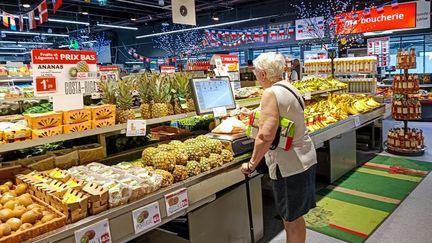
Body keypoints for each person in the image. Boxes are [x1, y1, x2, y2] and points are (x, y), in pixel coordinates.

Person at [241, 52, 317, 243]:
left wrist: (251, 164)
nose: (256, 76)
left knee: (290, 221)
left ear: (263, 74)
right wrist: (251, 114)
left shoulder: (270, 92)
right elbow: (283, 114)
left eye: (257, 72)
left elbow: (266, 136)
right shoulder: (289, 87)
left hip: (288, 165)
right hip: (304, 158)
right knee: (296, 217)